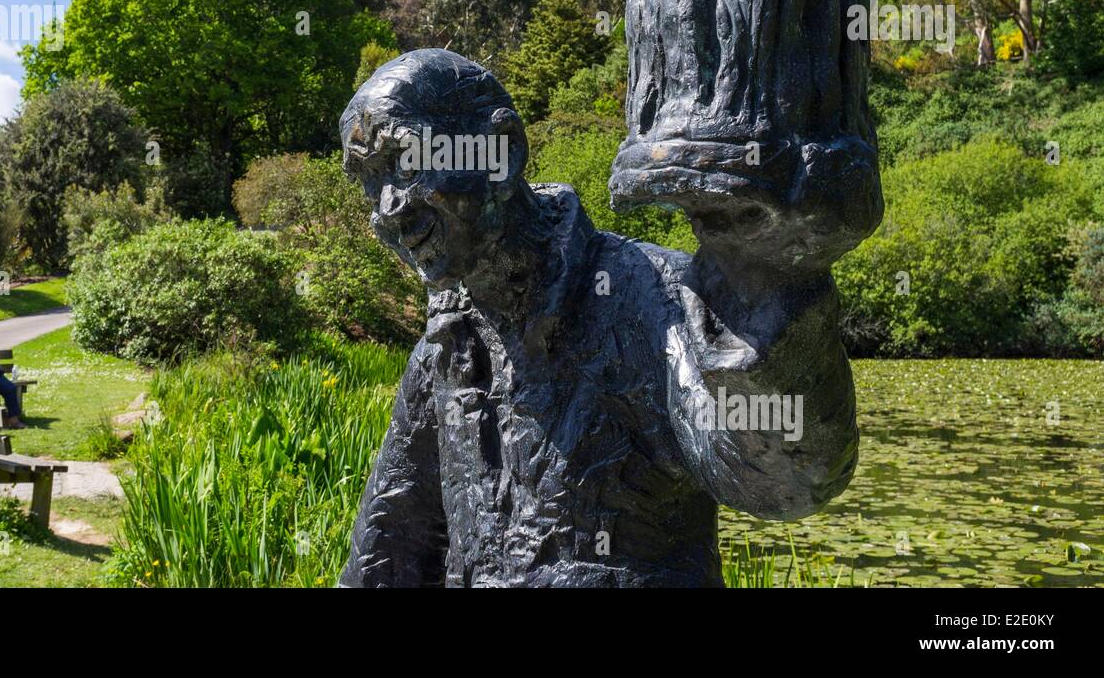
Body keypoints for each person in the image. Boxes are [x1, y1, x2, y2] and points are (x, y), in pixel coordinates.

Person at [336, 50, 860, 587]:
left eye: (406, 160)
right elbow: (390, 548)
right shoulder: (444, 350)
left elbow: (789, 479)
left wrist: (770, 272)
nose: (389, 208)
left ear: (502, 151)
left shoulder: (649, 298)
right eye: (369, 181)